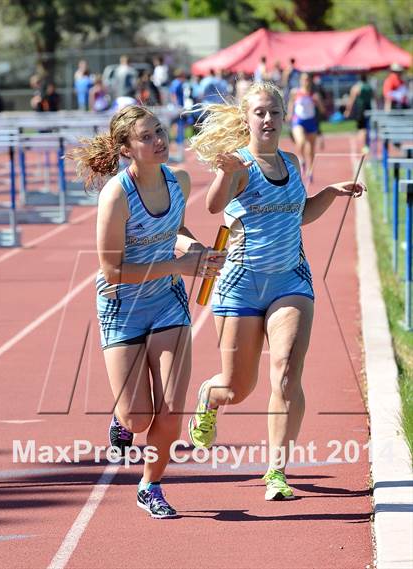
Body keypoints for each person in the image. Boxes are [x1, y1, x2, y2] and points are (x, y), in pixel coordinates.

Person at [187, 81, 366, 501]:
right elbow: (214, 207)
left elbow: (298, 213)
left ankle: (276, 471)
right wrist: (226, 174)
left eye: (274, 112)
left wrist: (329, 194)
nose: (268, 119)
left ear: (285, 116)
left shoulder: (288, 161)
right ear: (247, 118)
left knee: (286, 372)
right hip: (240, 285)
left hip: (291, 281)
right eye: (260, 113)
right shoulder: (238, 165)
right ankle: (210, 397)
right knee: (238, 387)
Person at [69, 105, 226, 518]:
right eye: (146, 136)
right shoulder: (117, 195)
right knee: (138, 418)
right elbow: (112, 270)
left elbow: (177, 230)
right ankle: (122, 420)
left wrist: (195, 250)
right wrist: (178, 264)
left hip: (167, 304)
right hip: (122, 307)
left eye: (159, 131)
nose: (159, 140)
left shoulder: (179, 180)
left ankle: (150, 485)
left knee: (172, 408)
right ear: (126, 149)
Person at [288, 72, 326, 181]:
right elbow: (291, 103)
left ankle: (310, 170)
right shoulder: (295, 92)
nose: (306, 81)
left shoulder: (314, 95)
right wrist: (290, 114)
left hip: (311, 121)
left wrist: (318, 102)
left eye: (308, 79)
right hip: (298, 121)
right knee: (301, 142)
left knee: (311, 149)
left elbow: (323, 110)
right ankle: (301, 159)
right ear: (300, 80)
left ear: (311, 81)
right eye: (304, 79)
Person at [344, 73, 375, 151]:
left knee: (362, 129)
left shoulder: (356, 87)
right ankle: (367, 145)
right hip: (369, 109)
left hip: (360, 110)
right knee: (367, 127)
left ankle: (363, 146)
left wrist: (348, 111)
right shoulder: (369, 87)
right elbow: (374, 98)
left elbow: (351, 100)